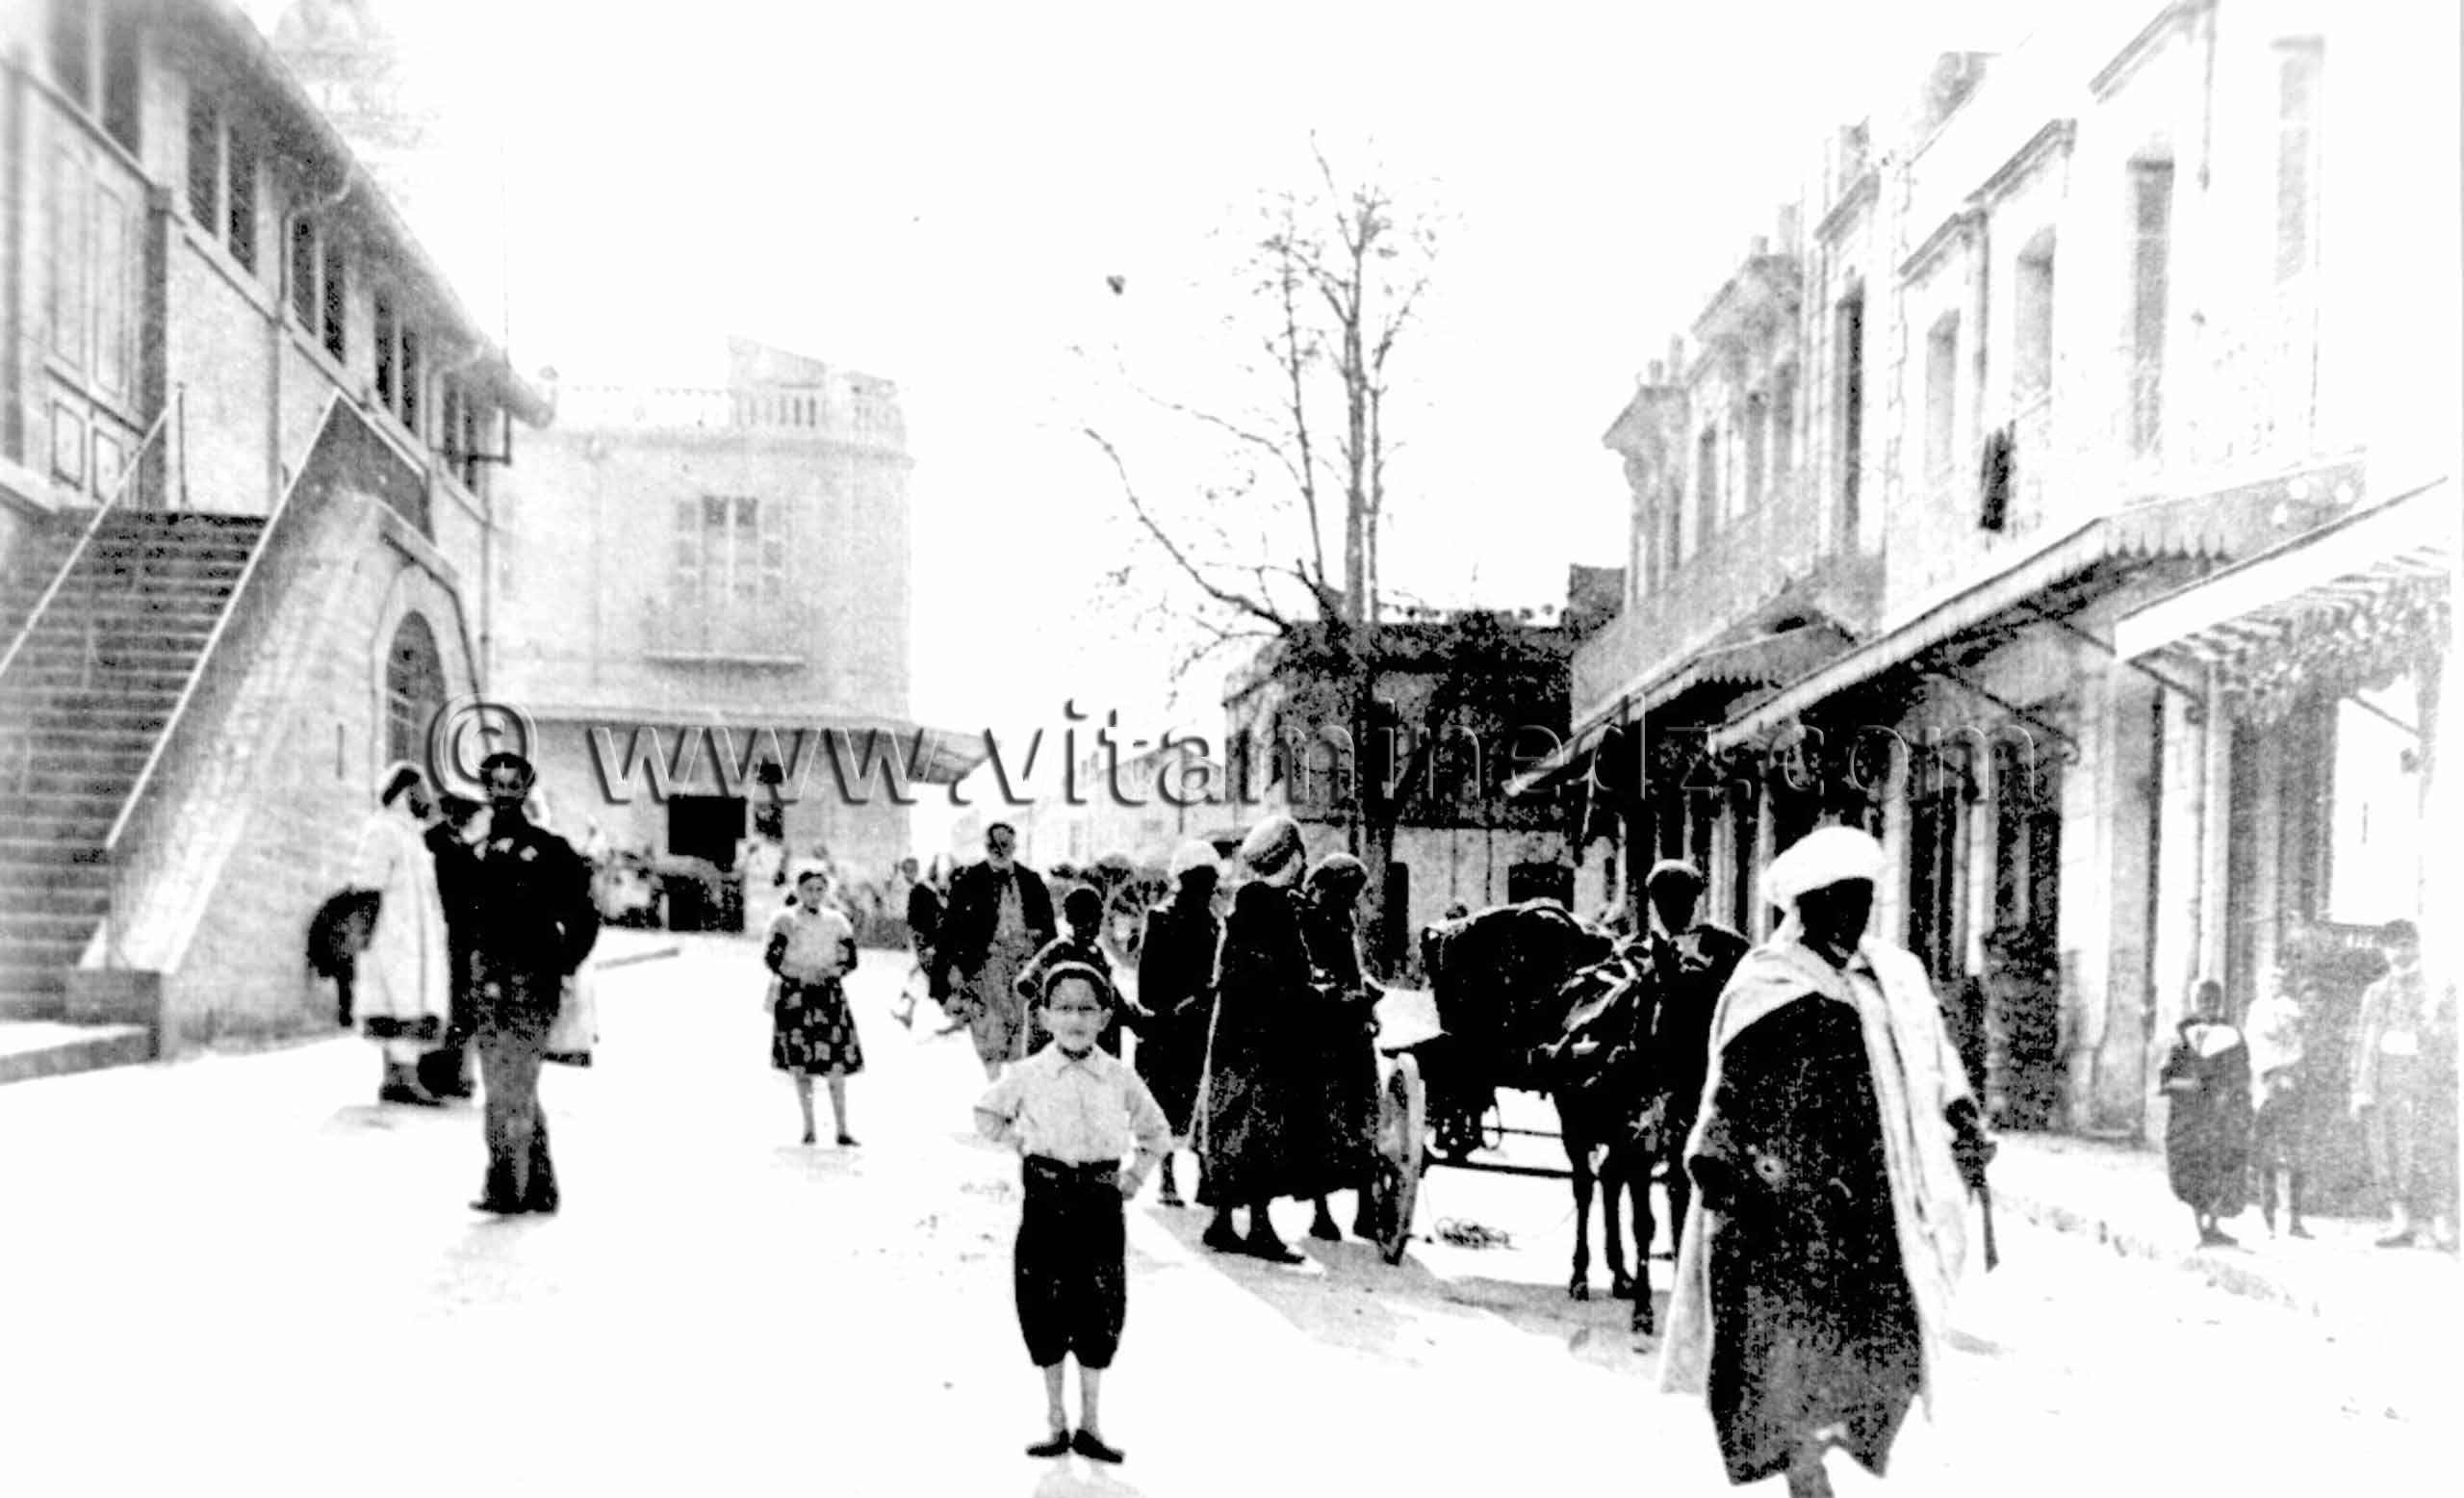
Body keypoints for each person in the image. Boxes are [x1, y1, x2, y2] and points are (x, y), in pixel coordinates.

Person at [1660, 826, 1992, 1498]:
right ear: (1807, 907)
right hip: (1788, 1199)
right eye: (1843, 900)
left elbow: (1936, 1057)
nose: (1857, 914)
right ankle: (1802, 1466)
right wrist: (1721, 1156)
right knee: (1782, 1344)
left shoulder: (1894, 976)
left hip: (1876, 1192)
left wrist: (1963, 1118)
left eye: (1864, 899)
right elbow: (1730, 1085)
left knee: (1885, 1336)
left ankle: (1830, 1441)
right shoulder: (1768, 982)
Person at [975, 963, 1171, 1465]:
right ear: (1044, 1016)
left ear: (1105, 1017)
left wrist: (1134, 1177)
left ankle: (1091, 1423)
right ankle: (1055, 1420)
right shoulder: (1028, 1073)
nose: (1075, 1019)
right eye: (1063, 1008)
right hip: (1044, 1200)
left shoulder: (1119, 1077)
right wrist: (1020, 1141)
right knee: (1043, 1305)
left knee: (1098, 1308)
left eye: (1087, 1008)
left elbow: (1157, 1132)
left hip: (1100, 1202)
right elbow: (986, 1113)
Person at [433, 752, 601, 1216]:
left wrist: (561, 962)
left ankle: (507, 1185)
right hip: (488, 985)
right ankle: (539, 1186)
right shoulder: (476, 854)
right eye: (496, 784)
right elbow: (458, 917)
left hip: (533, 987)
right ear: (486, 790)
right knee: (512, 1086)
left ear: (527, 790)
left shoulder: (550, 851)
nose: (504, 793)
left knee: (510, 1087)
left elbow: (585, 915)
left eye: (513, 784)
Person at [1194, 814, 1315, 1263]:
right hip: (1266, 1040)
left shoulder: (1241, 906)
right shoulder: (1278, 909)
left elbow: (1225, 972)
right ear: (1293, 858)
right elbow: (1291, 976)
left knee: (1229, 1126)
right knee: (1265, 1130)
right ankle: (1260, 1229)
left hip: (1232, 1035)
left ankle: (1222, 1222)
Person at [1641, 860, 1752, 1286]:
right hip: (1675, 1084)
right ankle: (1683, 1268)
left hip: (1719, 1080)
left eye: (1677, 902)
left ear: (1693, 901)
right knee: (1677, 1174)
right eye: (1661, 903)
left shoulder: (1727, 947)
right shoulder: (1652, 950)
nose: (1669, 911)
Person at [346, 762, 455, 1106]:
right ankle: (402, 1080)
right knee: (398, 1002)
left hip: (415, 937)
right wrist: (365, 934)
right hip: (391, 936)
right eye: (421, 791)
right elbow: (367, 884)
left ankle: (398, 1079)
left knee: (409, 1001)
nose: (428, 799)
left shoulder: (412, 835)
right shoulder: (383, 829)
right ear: (406, 792)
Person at [2350, 920, 2459, 1251]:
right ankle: (2401, 1222)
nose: (2398, 951)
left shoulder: (2438, 988)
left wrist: (2430, 1029)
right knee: (2387, 1151)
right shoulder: (2375, 992)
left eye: (2405, 944)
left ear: (2416, 947)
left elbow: (2454, 1033)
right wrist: (2360, 1088)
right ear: (2384, 951)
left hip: (2424, 1081)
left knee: (2429, 1149)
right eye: (2392, 945)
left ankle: (2441, 1223)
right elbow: (2362, 1041)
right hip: (2384, 1081)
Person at [1296, 852, 1382, 1242]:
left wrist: (1368, 1000)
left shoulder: (1345, 920)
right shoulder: (1307, 919)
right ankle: (1322, 1212)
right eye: (1347, 891)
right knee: (1320, 1125)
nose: (1352, 899)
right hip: (1320, 1034)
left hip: (1353, 1035)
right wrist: (1337, 993)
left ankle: (1365, 1210)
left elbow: (1354, 970)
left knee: (1363, 1123)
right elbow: (1306, 975)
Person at [1132, 841, 1222, 1208]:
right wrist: (1171, 1010)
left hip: (1201, 1026)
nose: (1208, 888)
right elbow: (1147, 983)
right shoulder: (1161, 918)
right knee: (1165, 1103)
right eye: (1203, 880)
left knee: (1201, 1102)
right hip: (1168, 1027)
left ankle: (1205, 1176)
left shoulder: (1213, 922)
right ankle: (1167, 1176)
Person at [936, 823, 1057, 1079]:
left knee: (1022, 1036)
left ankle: (1015, 1091)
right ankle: (995, 1089)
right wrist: (945, 985)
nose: (1000, 850)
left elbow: (1049, 934)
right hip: (986, 969)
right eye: (994, 845)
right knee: (991, 1037)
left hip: (1025, 968)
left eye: (1005, 845)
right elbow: (949, 934)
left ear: (1014, 847)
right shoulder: (969, 881)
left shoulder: (1031, 881)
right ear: (986, 846)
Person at [765, 863, 863, 1146]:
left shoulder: (837, 921)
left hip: (828, 996)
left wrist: (831, 971)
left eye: (820, 889)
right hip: (795, 997)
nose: (815, 895)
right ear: (798, 890)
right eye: (809, 889)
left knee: (835, 1066)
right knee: (801, 1065)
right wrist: (797, 973)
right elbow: (773, 959)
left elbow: (850, 960)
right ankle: (809, 1128)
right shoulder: (784, 920)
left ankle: (842, 1129)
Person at [2159, 979, 2253, 1248]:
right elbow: (2165, 1078)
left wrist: (2231, 1094)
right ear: (2194, 1003)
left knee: (2219, 1167)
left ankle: (2214, 1225)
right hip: (2188, 1115)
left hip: (2220, 1114)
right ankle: (2198, 1226)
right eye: (2202, 1000)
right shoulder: (2180, 1036)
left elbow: (2242, 1074)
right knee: (2191, 1166)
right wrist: (2188, 1085)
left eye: (2213, 1000)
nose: (2208, 1006)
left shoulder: (2231, 1036)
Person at [2242, 964, 2313, 1238]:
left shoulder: (2291, 1008)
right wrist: (2268, 1076)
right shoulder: (2256, 1010)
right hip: (2265, 1084)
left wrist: (2290, 1072)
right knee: (2266, 1154)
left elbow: (2296, 1043)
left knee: (2295, 1153)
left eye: (2279, 981)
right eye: (2270, 980)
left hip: (2290, 1082)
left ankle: (2295, 1220)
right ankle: (2268, 1220)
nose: (2275, 985)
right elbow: (2255, 1046)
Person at [1016, 886, 1123, 1056]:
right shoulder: (1058, 951)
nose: (1092, 925)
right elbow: (1025, 984)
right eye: (1085, 919)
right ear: (1072, 920)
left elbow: (1112, 996)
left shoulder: (1098, 955)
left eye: (1096, 918)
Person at [896, 857, 941, 1030]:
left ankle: (908, 1009)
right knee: (919, 975)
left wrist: (931, 944)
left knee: (922, 975)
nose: (906, 875)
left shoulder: (923, 890)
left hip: (928, 942)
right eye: (905, 871)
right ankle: (908, 1011)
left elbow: (932, 919)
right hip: (924, 942)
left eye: (909, 871)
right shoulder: (921, 889)